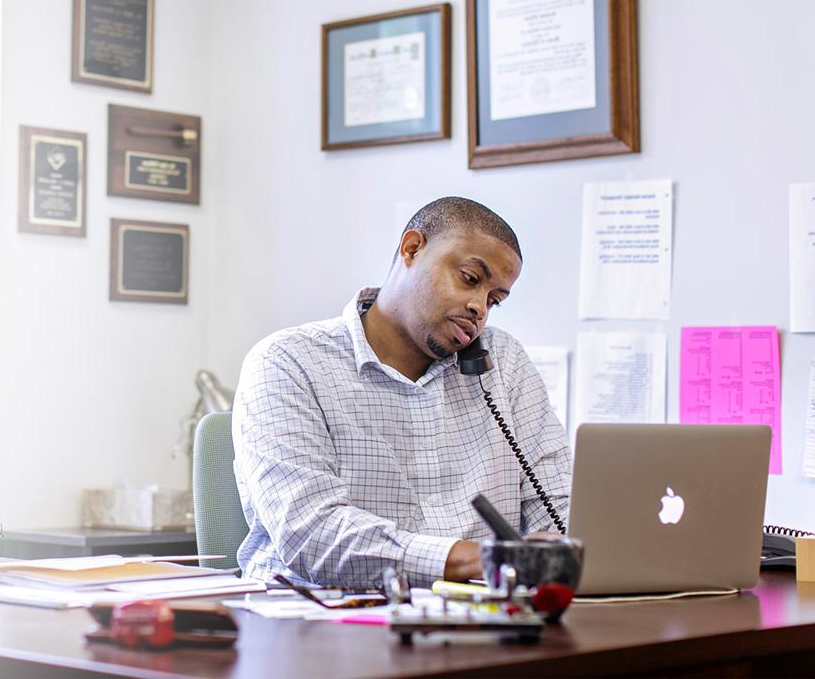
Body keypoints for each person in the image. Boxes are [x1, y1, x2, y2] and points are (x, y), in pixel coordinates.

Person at [232, 197, 571, 588]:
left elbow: (558, 507)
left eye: (495, 300)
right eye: (470, 279)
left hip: (479, 617)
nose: (479, 307)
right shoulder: (288, 362)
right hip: (324, 619)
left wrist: (575, 550)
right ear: (412, 248)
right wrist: (481, 560)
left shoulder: (504, 362)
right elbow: (313, 535)